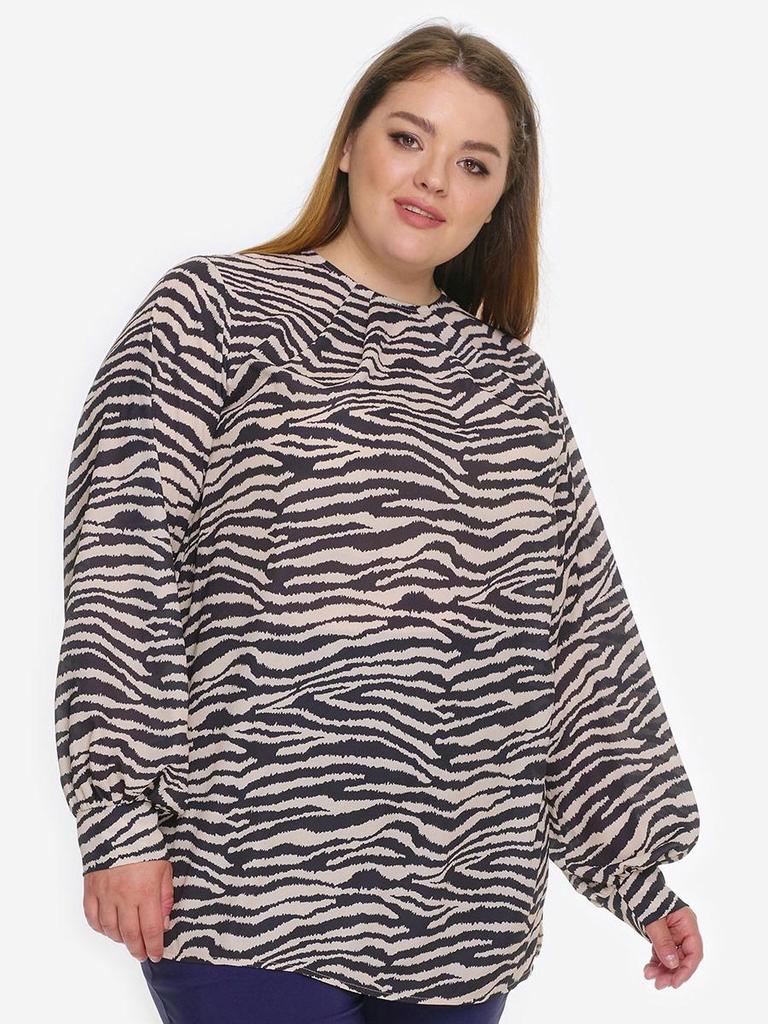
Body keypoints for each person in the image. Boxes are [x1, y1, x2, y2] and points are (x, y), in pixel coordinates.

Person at [53, 20, 703, 1024]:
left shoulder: (514, 388)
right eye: (409, 137)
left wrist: (636, 874)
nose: (434, 177)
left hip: (465, 907)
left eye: (474, 163)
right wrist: (119, 820)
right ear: (351, 142)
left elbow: (578, 637)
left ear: (499, 201)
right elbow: (121, 566)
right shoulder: (213, 312)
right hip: (244, 883)